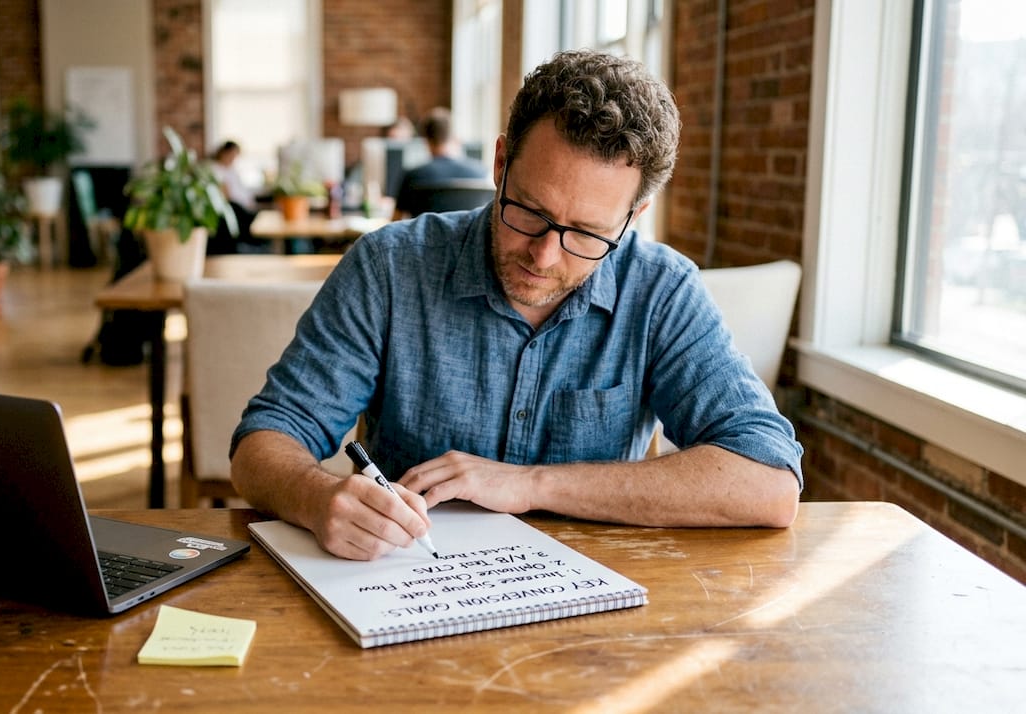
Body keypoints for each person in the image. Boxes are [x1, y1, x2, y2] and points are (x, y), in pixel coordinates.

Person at [230, 50, 804, 561]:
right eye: (530, 211)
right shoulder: (391, 266)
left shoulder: (661, 291)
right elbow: (266, 437)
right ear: (501, 163)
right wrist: (316, 495)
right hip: (406, 593)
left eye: (586, 233)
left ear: (634, 216)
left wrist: (532, 484)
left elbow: (769, 481)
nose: (546, 256)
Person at [392, 108, 490, 219]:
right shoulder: (481, 173)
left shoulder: (413, 176)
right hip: (469, 236)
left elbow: (395, 221)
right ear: (454, 137)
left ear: (426, 140)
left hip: (427, 236)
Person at [205, 140, 263, 254]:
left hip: (244, 204)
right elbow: (225, 194)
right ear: (224, 153)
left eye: (236, 155)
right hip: (233, 206)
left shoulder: (232, 170)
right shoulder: (215, 169)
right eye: (232, 154)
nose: (234, 158)